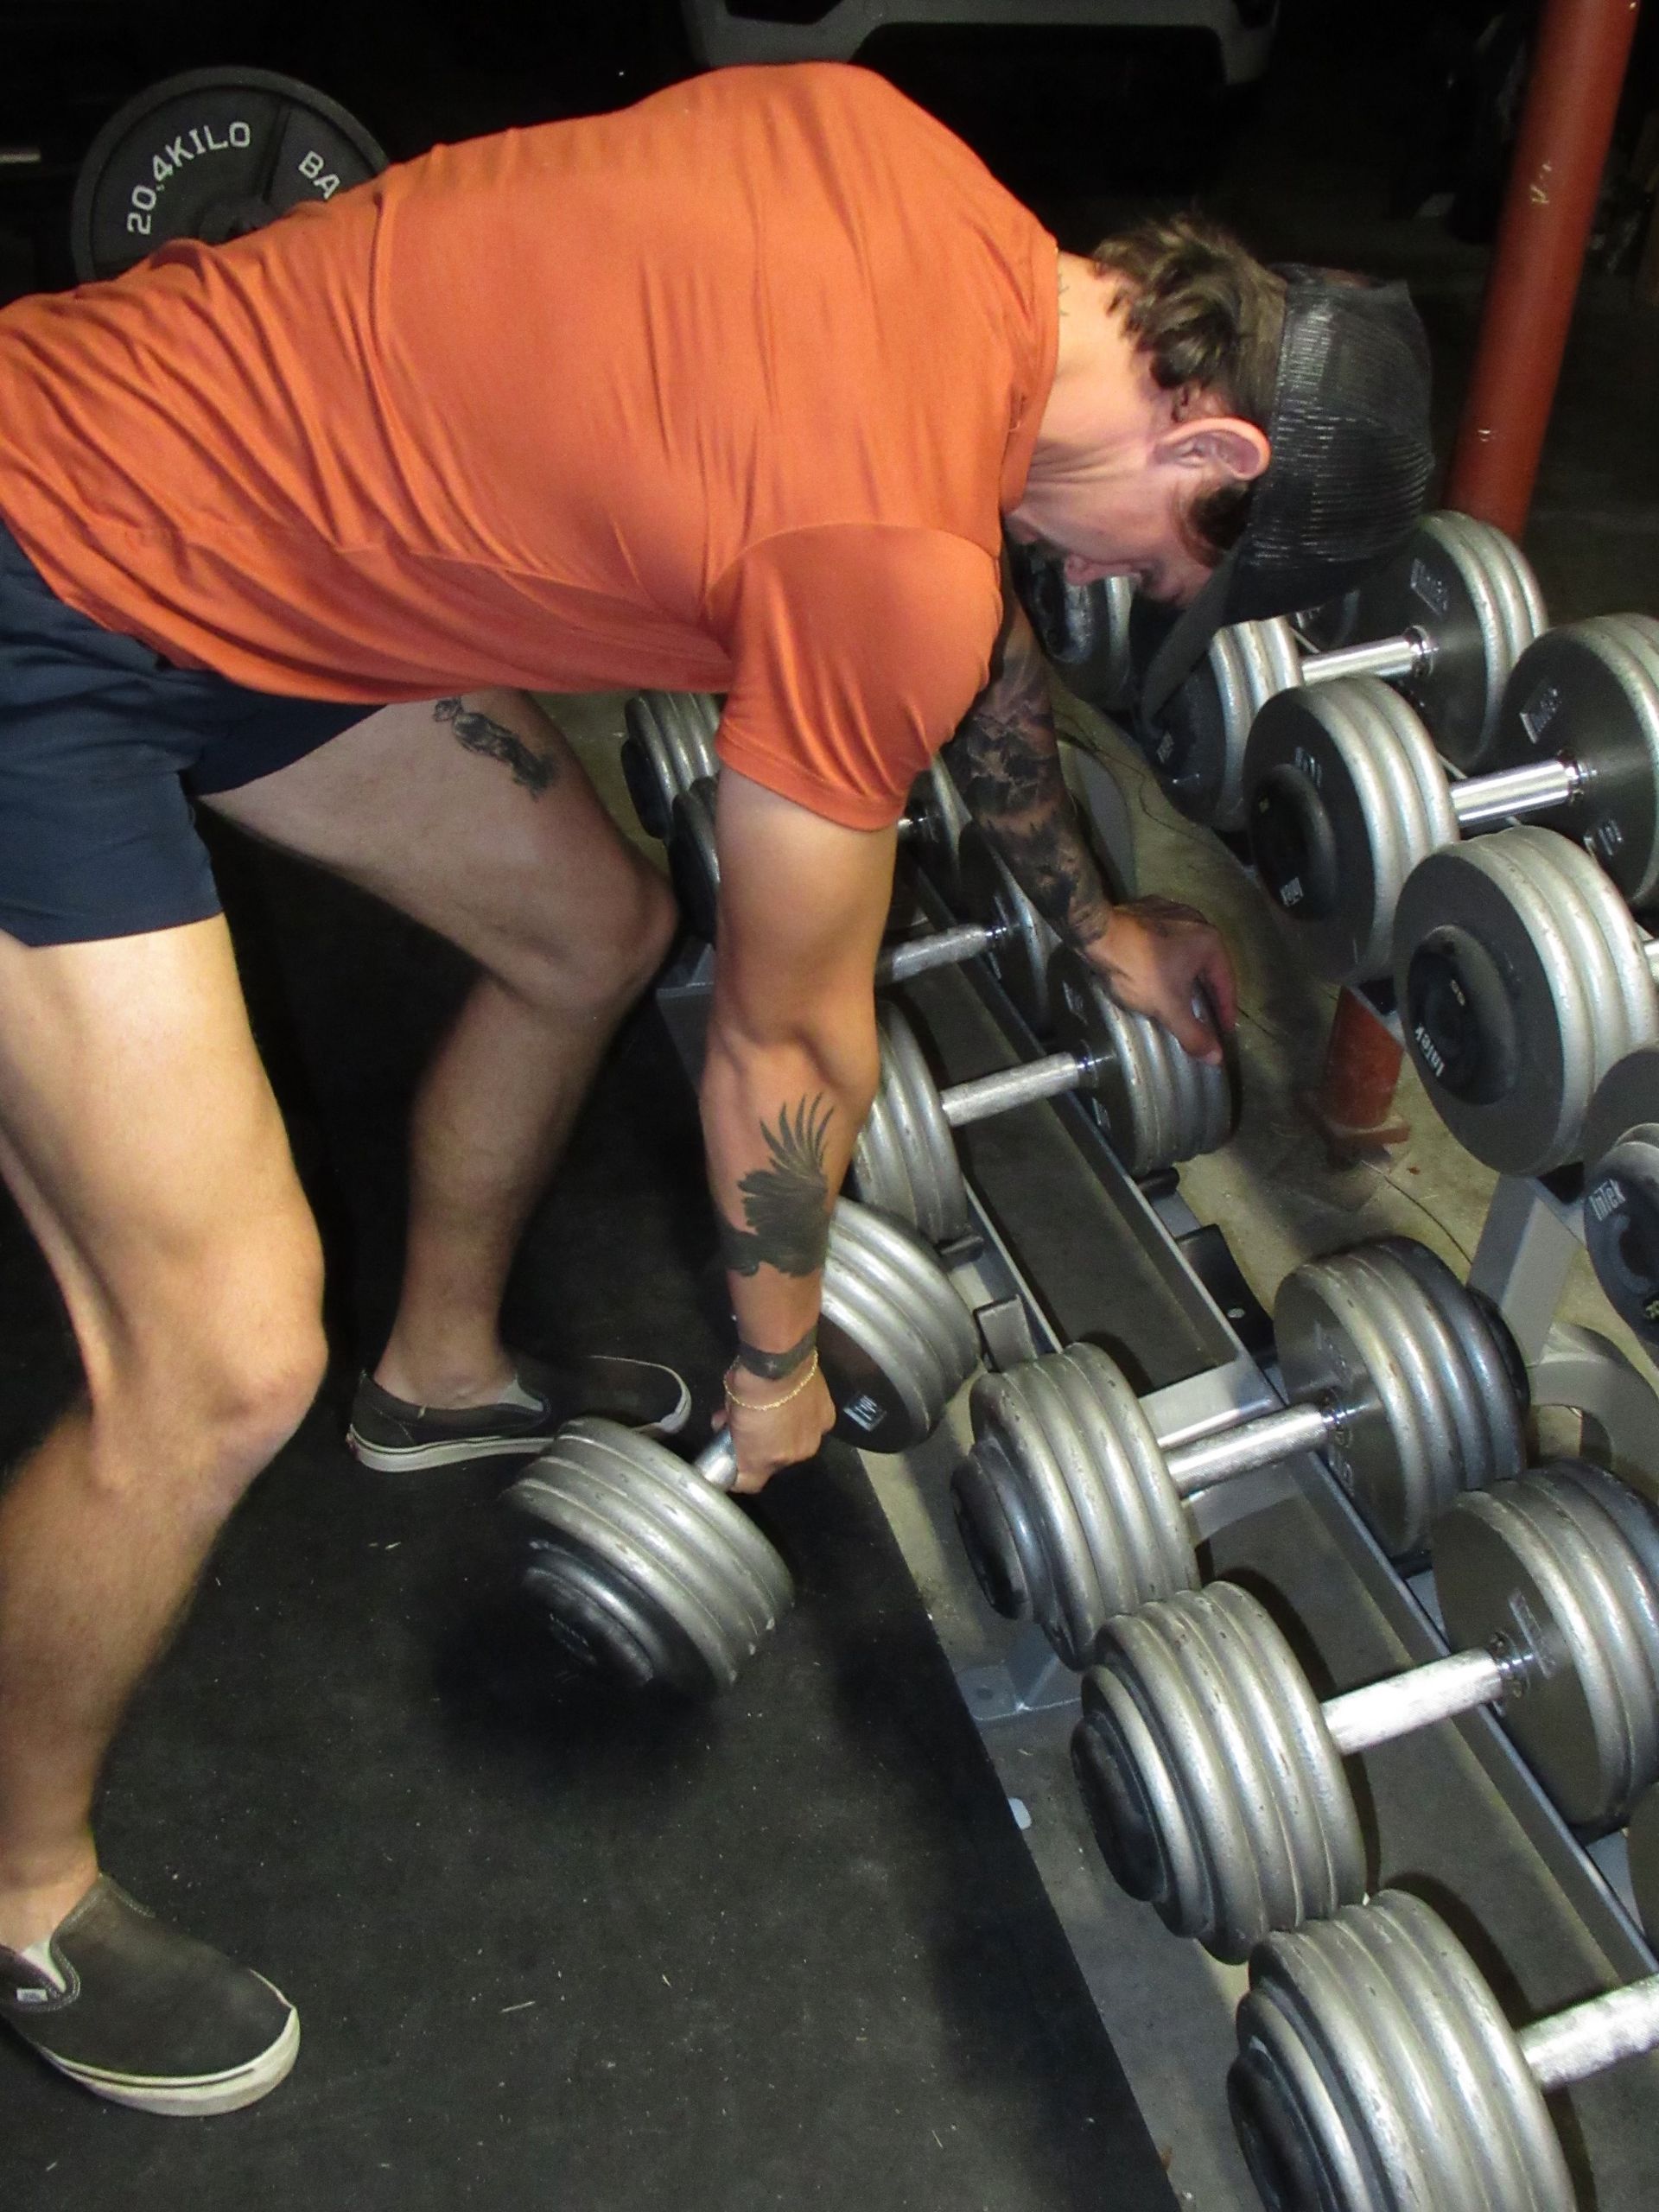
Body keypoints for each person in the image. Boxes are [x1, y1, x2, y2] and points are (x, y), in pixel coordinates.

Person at [0, 60, 1433, 2116]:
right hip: (43, 568)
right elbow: (788, 1035)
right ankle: (21, 1883)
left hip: (261, 572)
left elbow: (979, 622)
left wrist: (1091, 902)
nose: (1148, 596)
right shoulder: (887, 548)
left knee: (586, 927)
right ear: (1206, 439)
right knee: (216, 1353)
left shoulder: (931, 190)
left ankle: (440, 1375)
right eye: (1191, 562)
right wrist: (774, 1358)